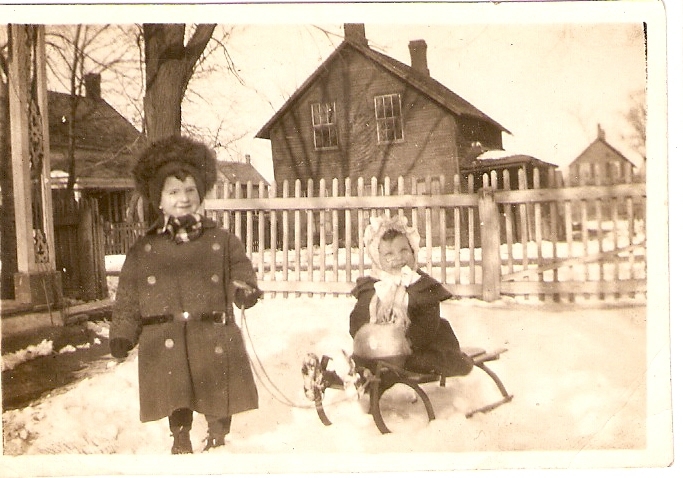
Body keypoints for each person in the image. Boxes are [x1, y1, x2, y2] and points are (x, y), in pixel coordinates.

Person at [109, 135, 262, 454]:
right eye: (174, 191)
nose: (183, 198)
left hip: (212, 330)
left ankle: (218, 435)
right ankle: (180, 435)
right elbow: (128, 296)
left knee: (218, 387)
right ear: (159, 200)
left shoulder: (222, 240)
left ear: (201, 194)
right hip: (166, 333)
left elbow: (241, 270)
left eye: (190, 190)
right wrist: (123, 334)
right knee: (175, 386)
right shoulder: (144, 249)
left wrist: (243, 289)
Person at [349, 214, 473, 377]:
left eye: (404, 250)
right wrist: (365, 339)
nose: (398, 258)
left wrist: (407, 343)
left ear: (413, 251)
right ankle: (357, 376)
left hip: (420, 345)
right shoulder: (373, 288)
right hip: (381, 349)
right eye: (389, 254)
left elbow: (427, 324)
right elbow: (358, 319)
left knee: (420, 362)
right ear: (377, 259)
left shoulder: (421, 285)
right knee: (364, 362)